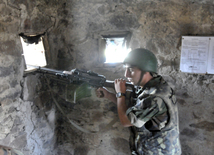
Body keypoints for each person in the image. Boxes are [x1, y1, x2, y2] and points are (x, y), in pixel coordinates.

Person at [96, 48, 181, 155]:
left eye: (131, 70)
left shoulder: (154, 96)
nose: (126, 75)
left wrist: (120, 94)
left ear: (146, 71)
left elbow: (126, 121)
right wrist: (109, 95)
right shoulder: (149, 84)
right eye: (126, 69)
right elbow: (132, 110)